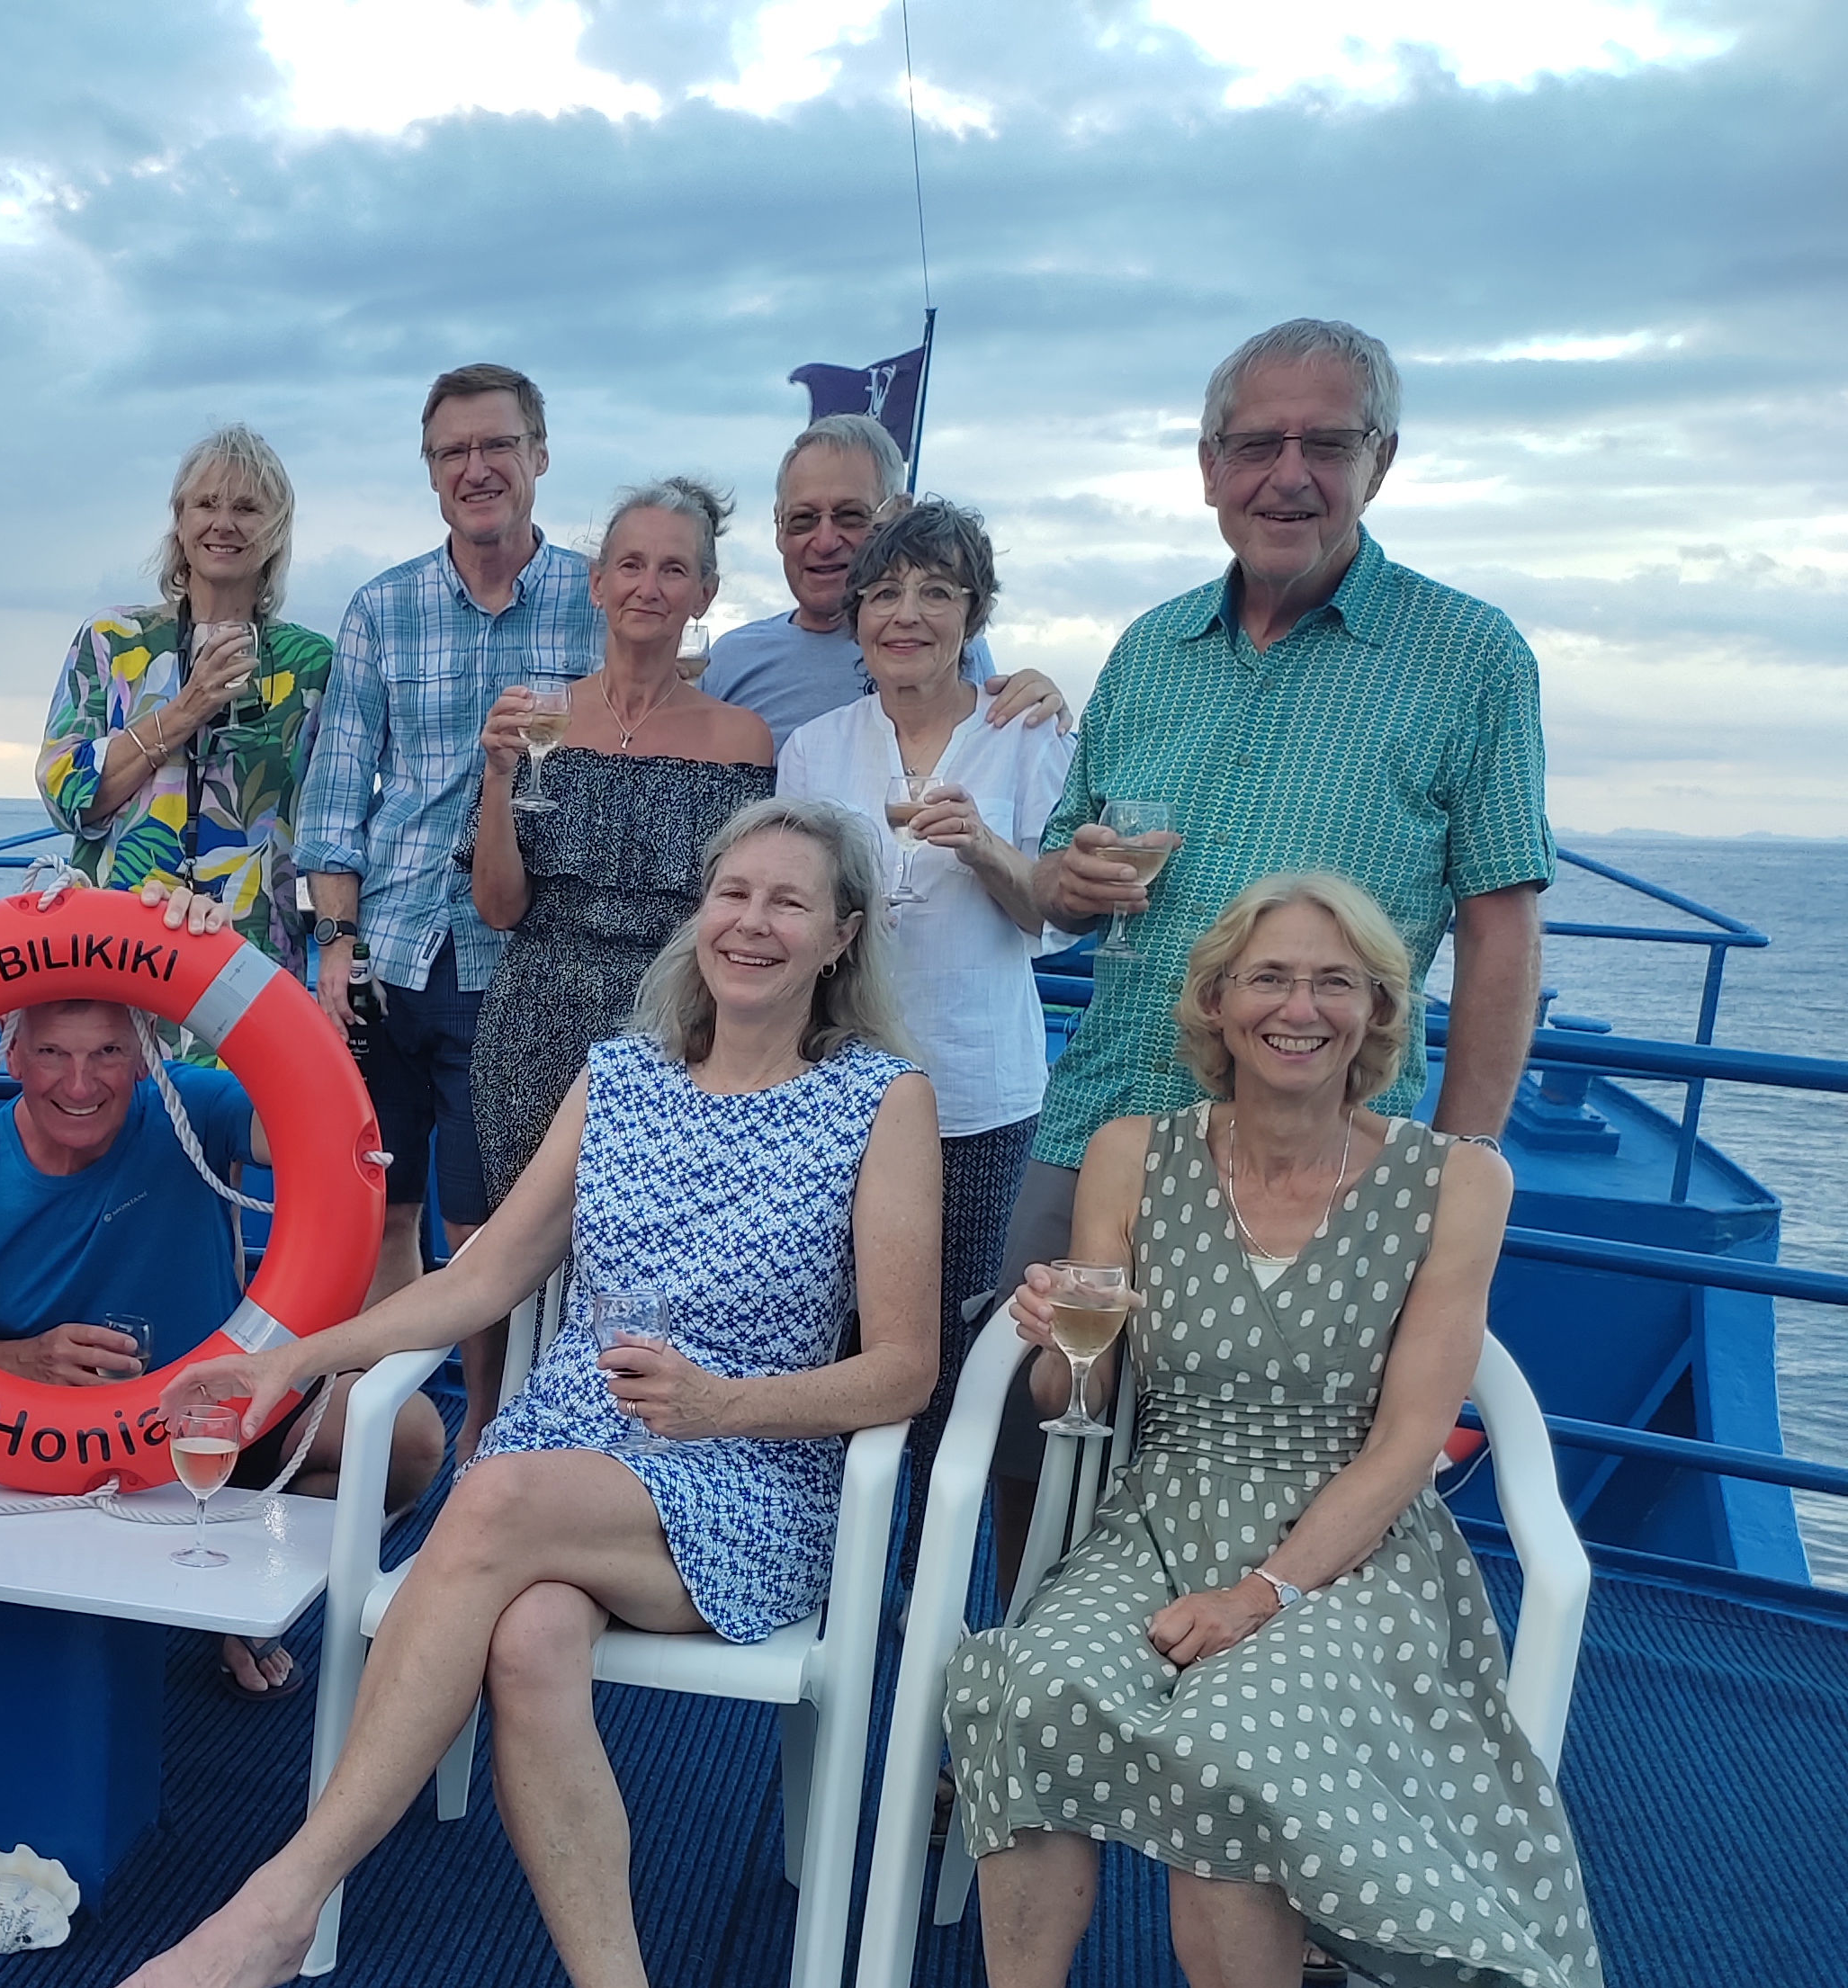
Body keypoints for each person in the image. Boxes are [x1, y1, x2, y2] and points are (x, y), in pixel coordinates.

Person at [102, 801, 940, 1988]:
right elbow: (483, 1281)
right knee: (532, 1642)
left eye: (789, 903)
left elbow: (906, 1366)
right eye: (731, 890)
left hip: (747, 1472)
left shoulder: (882, 1101)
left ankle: (285, 1895)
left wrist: (725, 1408)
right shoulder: (616, 1078)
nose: (750, 921)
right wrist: (295, 1359)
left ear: (841, 939)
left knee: (486, 1501)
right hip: (570, 1467)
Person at [908, 875, 1603, 1988]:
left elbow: (1412, 1441)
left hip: (1343, 1548)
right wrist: (1062, 1340)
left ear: (1377, 1015)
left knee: (1238, 1736)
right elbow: (1083, 1404)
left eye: (1335, 984)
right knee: (1022, 1683)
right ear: (1216, 1005)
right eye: (1272, 979)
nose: (1301, 1007)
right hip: (1160, 1510)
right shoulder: (1131, 1151)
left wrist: (1260, 1592)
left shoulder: (1454, 1181)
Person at [991, 318, 1555, 1529]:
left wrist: (1453, 1173)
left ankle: (1231, 1696)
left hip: (1325, 1158)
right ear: (1208, 468)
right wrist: (1068, 881)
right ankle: (1030, 1691)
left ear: (1381, 460)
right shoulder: (1150, 649)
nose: (1286, 475)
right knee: (1034, 1435)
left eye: (1325, 443)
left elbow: (1502, 927)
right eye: (1254, 444)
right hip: (1106, 1121)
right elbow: (1049, 885)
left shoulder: (1471, 657)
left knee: (1284, 1468)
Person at [0, 990, 445, 1697]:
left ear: (143, 1054)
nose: (78, 1083)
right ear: (10, 1056)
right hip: (56, 1441)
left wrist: (226, 977)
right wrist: (22, 1357)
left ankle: (254, 1576)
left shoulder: (188, 1106)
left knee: (409, 1439)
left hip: (227, 1418)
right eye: (51, 1053)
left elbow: (315, 1125)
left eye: (107, 1052)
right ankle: (210, 1567)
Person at [292, 364, 600, 1445]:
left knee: (485, 1217)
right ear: (430, 474)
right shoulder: (381, 607)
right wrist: (334, 941)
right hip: (389, 947)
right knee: (379, 1202)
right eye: (451, 453)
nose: (476, 469)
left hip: (515, 956)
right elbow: (336, 796)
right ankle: (376, 1427)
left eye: (497, 445)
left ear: (539, 455)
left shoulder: (597, 595)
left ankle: (483, 1425)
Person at [774, 498, 1073, 1462]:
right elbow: (787, 912)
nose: (907, 614)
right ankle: (826, 1575)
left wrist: (983, 846)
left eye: (936, 592)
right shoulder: (816, 747)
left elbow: (1058, 917)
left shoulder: (1023, 736)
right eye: (885, 592)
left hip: (976, 1096)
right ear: (856, 616)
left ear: (972, 614)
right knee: (831, 1335)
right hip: (837, 1091)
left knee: (947, 1351)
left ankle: (912, 1585)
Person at [463, 479, 776, 1208]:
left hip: (676, 1033)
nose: (650, 587)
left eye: (673, 570)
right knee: (511, 1270)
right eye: (631, 566)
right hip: (533, 1028)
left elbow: (738, 912)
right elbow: (499, 909)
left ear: (704, 592)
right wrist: (496, 777)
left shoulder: (741, 739)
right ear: (598, 586)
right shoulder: (537, 716)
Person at [35, 425, 333, 967]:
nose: (224, 523)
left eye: (247, 508)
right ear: (179, 520)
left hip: (252, 953)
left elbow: (340, 813)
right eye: (206, 504)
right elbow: (65, 797)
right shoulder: (111, 641)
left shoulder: (311, 664)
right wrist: (187, 708)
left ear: (276, 530)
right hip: (118, 950)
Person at [695, 413, 1061, 739]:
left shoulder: (948, 650)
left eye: (850, 516)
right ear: (778, 528)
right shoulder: (730, 661)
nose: (824, 541)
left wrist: (1040, 705)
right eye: (804, 519)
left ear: (897, 516)